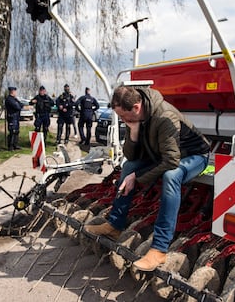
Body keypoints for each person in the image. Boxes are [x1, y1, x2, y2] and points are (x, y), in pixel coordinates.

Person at [85, 86, 211, 271]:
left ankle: (159, 250)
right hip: (164, 155)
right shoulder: (135, 118)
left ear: (136, 107)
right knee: (128, 167)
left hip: (195, 156)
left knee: (171, 175)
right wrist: (133, 132)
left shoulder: (165, 117)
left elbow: (171, 161)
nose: (122, 120)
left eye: (123, 116)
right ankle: (114, 226)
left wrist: (137, 177)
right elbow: (132, 157)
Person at [4, 86, 23, 151]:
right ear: (12, 91)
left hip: (16, 117)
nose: (15, 92)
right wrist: (19, 105)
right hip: (12, 117)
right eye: (15, 91)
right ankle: (10, 146)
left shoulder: (15, 99)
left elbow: (21, 104)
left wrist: (19, 105)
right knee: (12, 132)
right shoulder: (9, 99)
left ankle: (15, 145)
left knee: (16, 131)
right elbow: (17, 107)